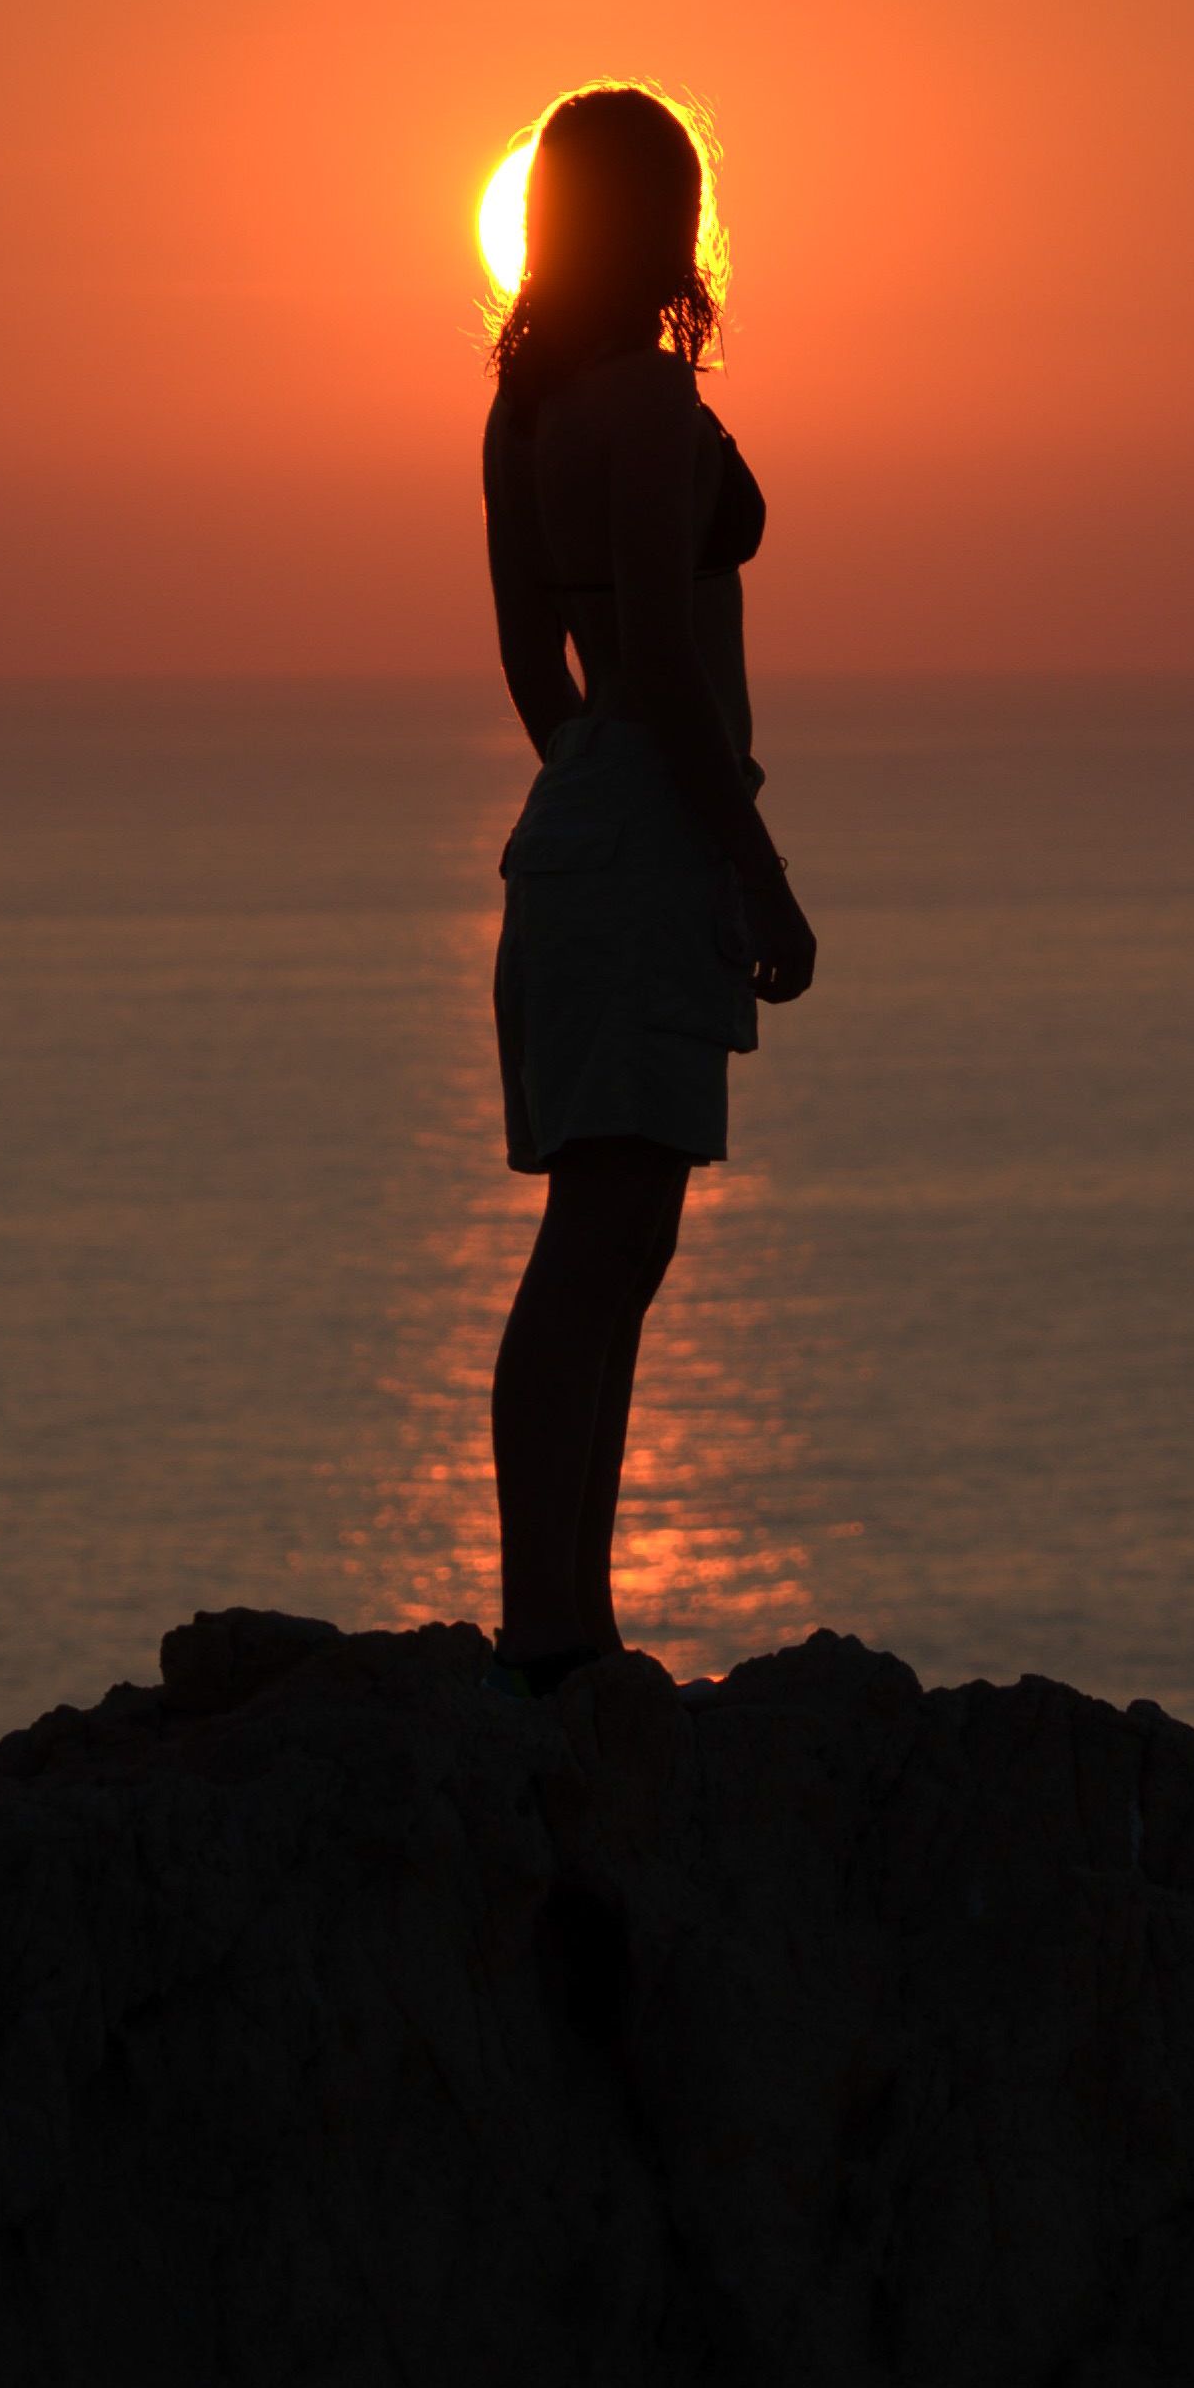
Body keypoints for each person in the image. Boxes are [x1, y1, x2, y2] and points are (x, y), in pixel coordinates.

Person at [476, 84, 815, 1689]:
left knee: (601, 1240)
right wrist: (750, 868)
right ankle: (554, 1621)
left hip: (573, 820)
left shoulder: (526, 414)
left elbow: (532, 660)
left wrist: (590, 781)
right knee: (607, 1245)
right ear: (664, 219)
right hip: (650, 822)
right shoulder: (644, 413)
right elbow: (674, 667)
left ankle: (563, 1607)